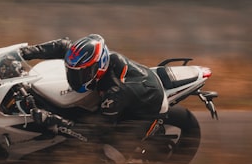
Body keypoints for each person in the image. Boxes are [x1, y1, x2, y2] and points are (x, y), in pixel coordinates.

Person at [19, 34, 168, 145]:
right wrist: (25, 52)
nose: (75, 76)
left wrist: (56, 121)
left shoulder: (114, 93)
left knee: (105, 159)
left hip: (147, 109)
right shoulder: (92, 60)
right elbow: (62, 46)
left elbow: (97, 133)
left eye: (82, 73)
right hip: (135, 86)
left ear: (100, 65)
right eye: (72, 71)